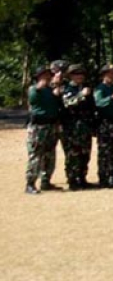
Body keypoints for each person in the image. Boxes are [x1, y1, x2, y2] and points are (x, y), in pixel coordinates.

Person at [60, 64, 96, 190]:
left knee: (85, 153)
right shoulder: (67, 88)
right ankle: (72, 180)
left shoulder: (87, 88)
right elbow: (67, 103)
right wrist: (81, 95)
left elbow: (92, 108)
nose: (79, 77)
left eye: (81, 74)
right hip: (71, 128)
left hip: (85, 127)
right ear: (70, 76)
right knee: (72, 155)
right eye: (76, 74)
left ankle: (82, 178)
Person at [25, 66, 60, 194]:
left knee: (49, 155)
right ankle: (30, 183)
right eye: (44, 75)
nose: (47, 76)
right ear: (38, 76)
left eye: (48, 74)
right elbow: (34, 95)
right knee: (35, 155)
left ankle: (46, 181)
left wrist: (55, 87)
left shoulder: (51, 90)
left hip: (51, 125)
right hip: (37, 127)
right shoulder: (34, 89)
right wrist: (48, 84)